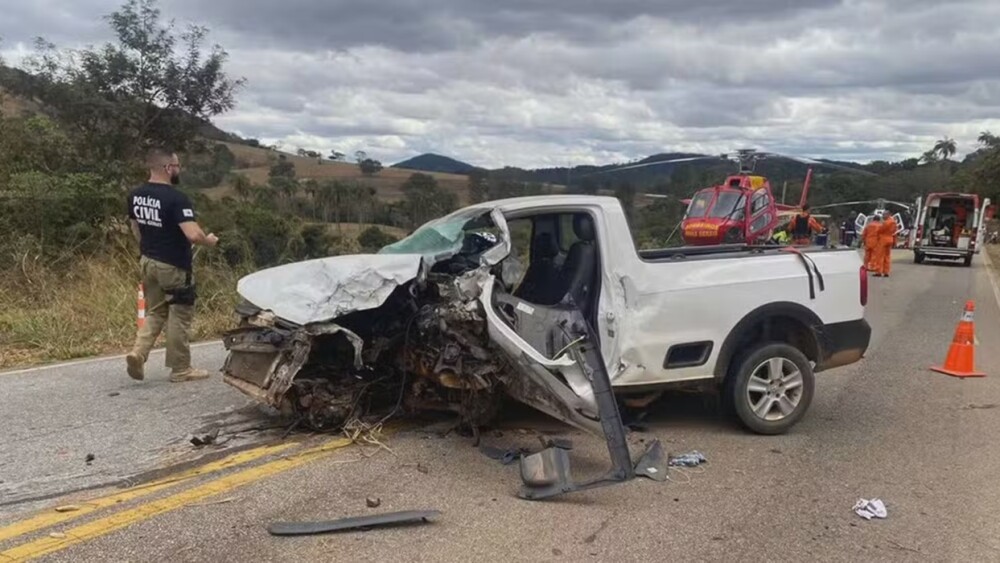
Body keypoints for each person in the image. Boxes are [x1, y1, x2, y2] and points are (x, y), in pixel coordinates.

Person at [125, 148, 219, 382]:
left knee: (156, 311)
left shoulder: (135, 196)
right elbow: (192, 234)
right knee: (180, 313)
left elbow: (135, 227)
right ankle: (181, 369)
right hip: (174, 265)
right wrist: (209, 241)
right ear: (168, 168)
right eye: (177, 166)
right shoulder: (176, 198)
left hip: (148, 261)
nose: (179, 170)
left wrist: (147, 247)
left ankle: (138, 353)